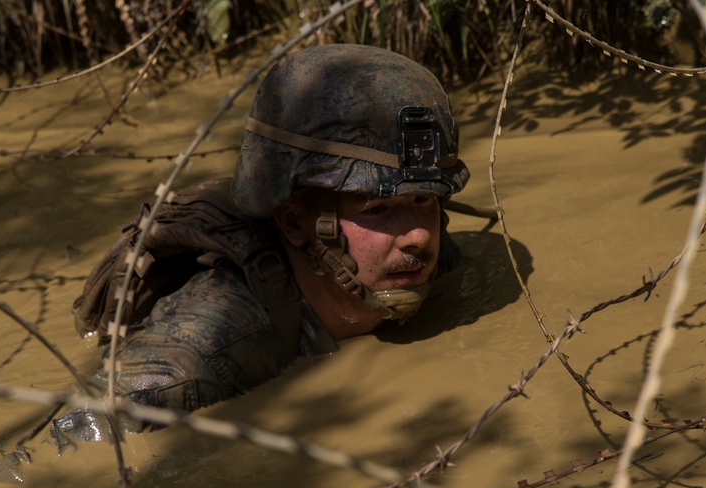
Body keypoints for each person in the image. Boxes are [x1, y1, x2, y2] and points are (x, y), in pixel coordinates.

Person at [50, 43, 471, 446]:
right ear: (295, 223)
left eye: (425, 200)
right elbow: (50, 454)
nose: (418, 234)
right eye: (378, 209)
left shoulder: (424, 257)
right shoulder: (201, 350)